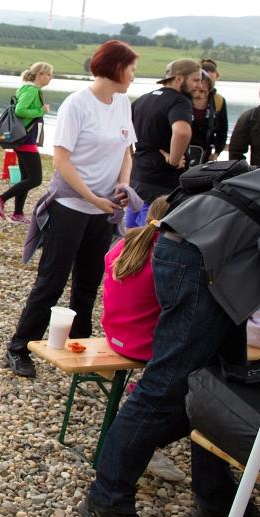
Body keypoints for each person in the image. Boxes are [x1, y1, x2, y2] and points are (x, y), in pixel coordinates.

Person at [81, 160, 260, 517]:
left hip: (214, 253)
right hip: (200, 254)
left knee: (220, 386)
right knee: (165, 388)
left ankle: (215, 500)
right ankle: (106, 499)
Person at [5, 40, 138, 378]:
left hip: (103, 209)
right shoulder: (77, 104)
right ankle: (19, 347)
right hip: (70, 206)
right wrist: (92, 198)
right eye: (131, 69)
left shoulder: (123, 103)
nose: (134, 76)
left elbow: (126, 151)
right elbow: (61, 161)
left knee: (88, 284)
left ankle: (81, 350)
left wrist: (123, 184)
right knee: (51, 281)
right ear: (115, 68)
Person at [100, 196, 186, 483]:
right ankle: (149, 436)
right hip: (144, 346)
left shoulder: (126, 242)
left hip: (115, 334)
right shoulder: (169, 256)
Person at [128, 58, 201, 203]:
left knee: (133, 218)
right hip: (162, 186)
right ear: (179, 79)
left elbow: (122, 131)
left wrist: (131, 157)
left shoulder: (143, 99)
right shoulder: (180, 101)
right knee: (155, 219)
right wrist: (174, 160)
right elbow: (182, 132)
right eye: (195, 80)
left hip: (136, 178)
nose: (199, 85)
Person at [0, 61, 52, 224]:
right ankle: (0, 199)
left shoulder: (28, 88)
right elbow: (20, 110)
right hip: (26, 139)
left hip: (22, 138)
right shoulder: (32, 90)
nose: (50, 78)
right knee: (35, 179)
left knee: (26, 177)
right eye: (48, 74)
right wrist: (41, 110)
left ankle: (17, 214)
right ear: (39, 75)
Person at [190, 59, 228, 160]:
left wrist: (217, 153)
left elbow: (223, 130)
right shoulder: (183, 98)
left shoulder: (218, 101)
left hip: (206, 154)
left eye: (212, 81)